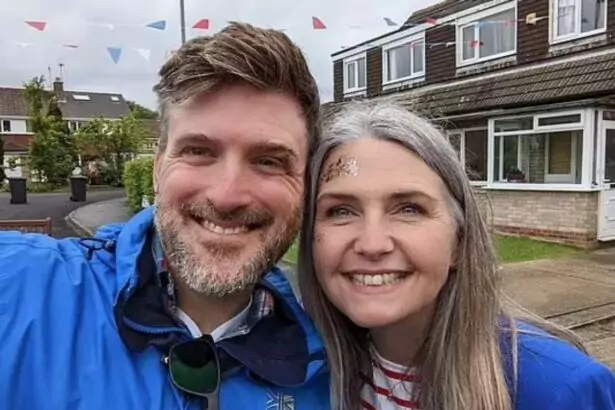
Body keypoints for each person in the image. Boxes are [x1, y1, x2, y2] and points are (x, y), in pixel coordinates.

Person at [0, 22, 329, 409]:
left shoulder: (333, 371)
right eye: (198, 151)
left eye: (269, 161)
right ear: (158, 168)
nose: (226, 196)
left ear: (306, 184)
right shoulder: (18, 286)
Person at [297, 100, 615, 410]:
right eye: (341, 211)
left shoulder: (561, 390)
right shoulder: (297, 377)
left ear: (459, 241)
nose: (372, 244)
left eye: (409, 209)